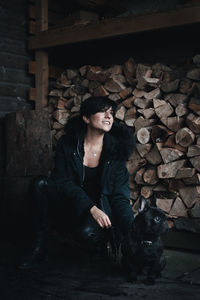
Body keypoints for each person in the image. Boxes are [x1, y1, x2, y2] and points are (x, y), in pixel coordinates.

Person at [19, 96, 135, 269]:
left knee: (87, 233)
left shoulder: (115, 152)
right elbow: (62, 181)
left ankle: (99, 246)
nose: (109, 116)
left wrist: (131, 228)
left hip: (96, 214)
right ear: (86, 118)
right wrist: (91, 207)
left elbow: (120, 194)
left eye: (111, 113)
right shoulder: (68, 144)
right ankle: (38, 249)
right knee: (40, 184)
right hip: (70, 206)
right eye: (102, 111)